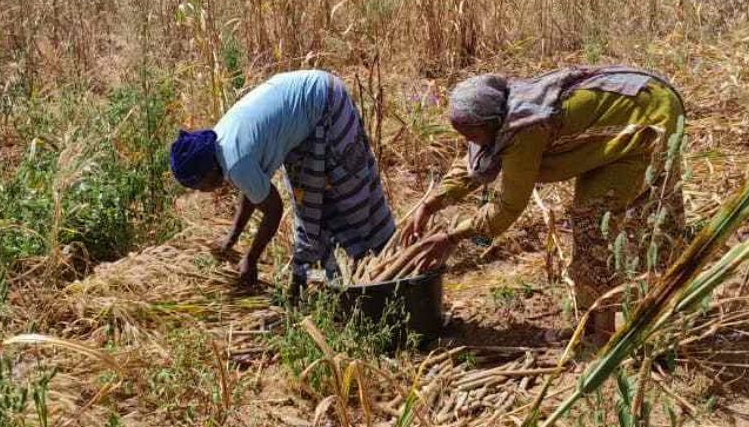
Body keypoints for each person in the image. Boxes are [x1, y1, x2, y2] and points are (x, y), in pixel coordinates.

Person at [402, 65, 687, 344]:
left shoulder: (524, 129)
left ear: (490, 122)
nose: (468, 142)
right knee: (592, 222)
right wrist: (430, 204)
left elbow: (508, 207)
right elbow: (471, 165)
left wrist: (452, 237)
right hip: (621, 117)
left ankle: (607, 334)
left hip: (650, 117)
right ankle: (591, 326)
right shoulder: (496, 117)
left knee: (598, 223)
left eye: (470, 134)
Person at [169, 69, 395, 299]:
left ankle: (383, 262)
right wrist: (233, 237)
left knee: (349, 192)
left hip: (325, 101)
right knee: (309, 204)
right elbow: (252, 189)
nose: (204, 192)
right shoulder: (219, 142)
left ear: (206, 173)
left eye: (199, 186)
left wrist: (251, 258)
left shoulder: (235, 161)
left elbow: (274, 210)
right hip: (302, 107)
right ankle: (315, 283)